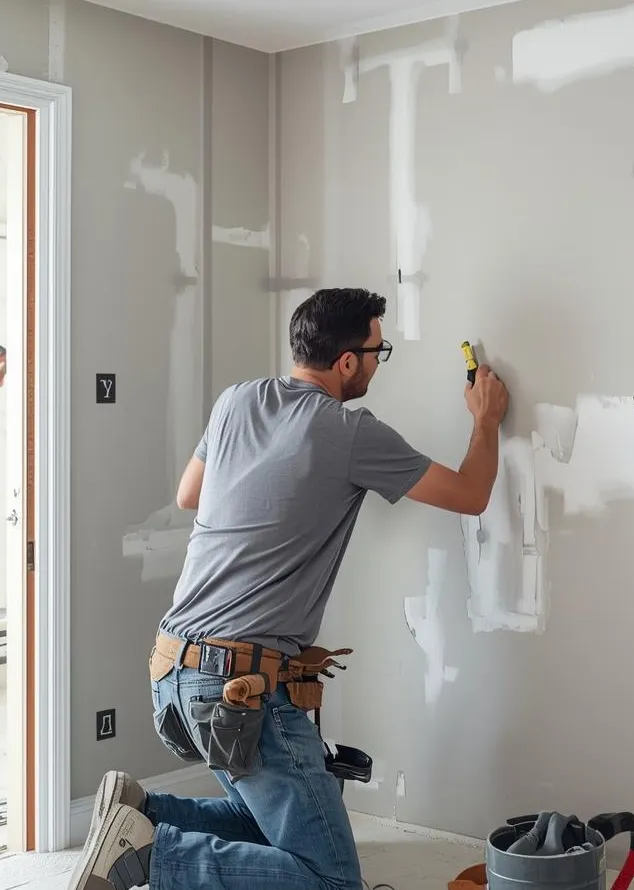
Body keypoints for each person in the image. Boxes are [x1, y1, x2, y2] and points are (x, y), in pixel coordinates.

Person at [68, 287, 510, 890]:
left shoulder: (236, 400)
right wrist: (485, 420)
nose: (379, 363)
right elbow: (471, 494)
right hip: (238, 686)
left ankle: (143, 814)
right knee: (330, 880)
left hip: (173, 668)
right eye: (378, 351)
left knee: (267, 825)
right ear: (347, 361)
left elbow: (189, 494)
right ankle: (149, 855)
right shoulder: (349, 431)